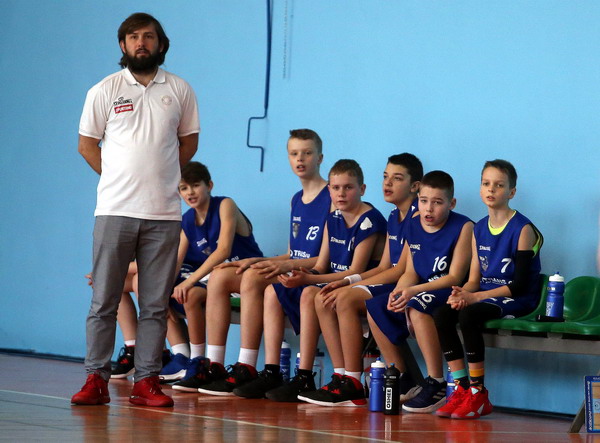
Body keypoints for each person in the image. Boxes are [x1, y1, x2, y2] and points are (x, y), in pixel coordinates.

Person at [71, 12, 199, 408]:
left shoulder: (179, 89)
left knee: (156, 304)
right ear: (122, 45)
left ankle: (146, 382)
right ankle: (96, 379)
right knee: (104, 301)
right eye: (132, 37)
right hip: (114, 210)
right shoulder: (104, 90)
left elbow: (188, 143)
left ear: (161, 44)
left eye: (148, 36)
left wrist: (160, 178)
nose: (140, 43)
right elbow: (86, 145)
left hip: (164, 215)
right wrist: (119, 178)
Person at [180, 129, 332, 394]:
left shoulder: (333, 195)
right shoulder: (296, 199)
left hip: (314, 273)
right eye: (294, 153)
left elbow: (328, 257)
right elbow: (292, 252)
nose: (300, 159)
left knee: (251, 277)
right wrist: (256, 260)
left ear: (319, 158)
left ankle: (246, 366)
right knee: (220, 275)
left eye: (307, 153)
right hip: (293, 267)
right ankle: (214, 365)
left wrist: (285, 265)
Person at [232, 159, 387, 402]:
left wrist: (308, 280)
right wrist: (301, 276)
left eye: (348, 187)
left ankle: (309, 375)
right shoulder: (333, 218)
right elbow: (321, 265)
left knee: (309, 294)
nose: (341, 193)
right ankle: (272, 372)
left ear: (362, 189)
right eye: (336, 188)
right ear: (329, 190)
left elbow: (355, 271)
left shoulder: (370, 220)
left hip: (355, 284)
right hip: (328, 280)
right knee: (273, 291)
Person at [292, 153, 422, 406]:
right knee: (324, 296)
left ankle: (353, 380)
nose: (388, 183)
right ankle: (341, 375)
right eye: (385, 177)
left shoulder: (417, 216)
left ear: (414, 186)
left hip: (408, 285)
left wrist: (351, 284)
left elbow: (400, 271)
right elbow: (385, 266)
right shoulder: (394, 216)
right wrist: (348, 281)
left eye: (397, 178)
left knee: (344, 299)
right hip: (390, 279)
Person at [433, 159, 543, 420]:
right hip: (484, 295)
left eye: (499, 185)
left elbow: (518, 286)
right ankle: (460, 388)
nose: (491, 189)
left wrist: (474, 298)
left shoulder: (523, 228)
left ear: (511, 192)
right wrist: (461, 294)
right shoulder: (479, 228)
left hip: (517, 298)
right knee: (443, 313)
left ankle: (478, 392)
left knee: (469, 315)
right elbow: (474, 279)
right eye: (486, 183)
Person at [360, 171, 473, 412]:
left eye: (437, 202)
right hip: (420, 289)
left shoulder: (464, 226)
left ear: (451, 203)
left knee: (417, 306)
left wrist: (413, 292)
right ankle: (403, 376)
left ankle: (436, 382)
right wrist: (399, 292)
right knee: (377, 306)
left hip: (449, 291)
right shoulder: (412, 223)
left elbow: (454, 277)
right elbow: (410, 271)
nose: (428, 208)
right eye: (423, 201)